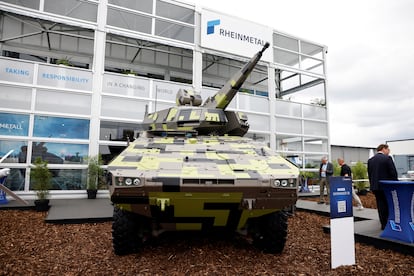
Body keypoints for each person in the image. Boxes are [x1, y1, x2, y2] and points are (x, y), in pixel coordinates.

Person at [367, 144, 398, 230]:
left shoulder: (370, 160)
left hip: (376, 187)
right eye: (388, 150)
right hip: (387, 187)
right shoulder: (387, 159)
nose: (389, 152)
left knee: (380, 206)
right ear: (383, 149)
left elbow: (370, 175)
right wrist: (396, 184)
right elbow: (393, 173)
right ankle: (390, 223)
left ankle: (383, 224)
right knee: (388, 205)